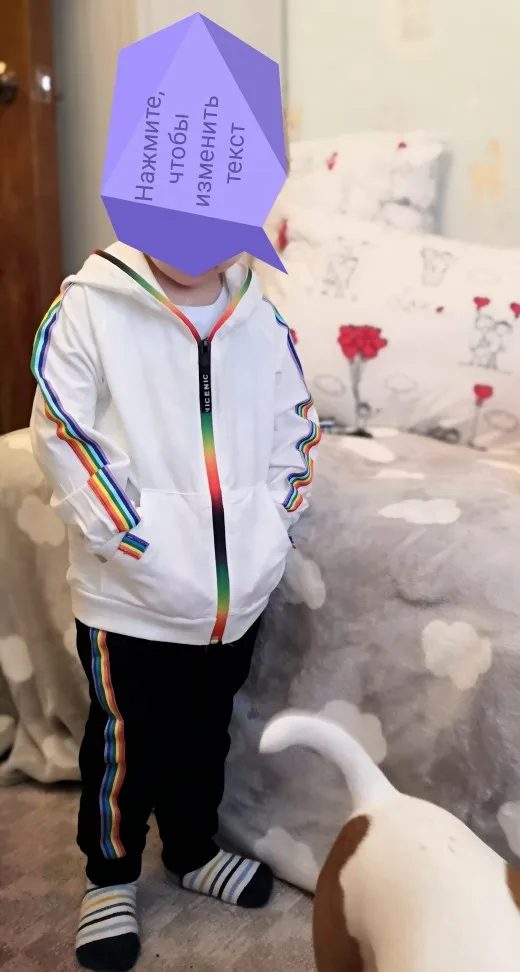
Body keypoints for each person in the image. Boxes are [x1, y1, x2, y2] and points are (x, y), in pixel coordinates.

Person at [30, 243, 320, 972]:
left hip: (234, 596)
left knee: (203, 732)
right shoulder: (90, 306)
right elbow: (63, 429)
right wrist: (129, 537)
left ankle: (192, 850)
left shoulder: (261, 317)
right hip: (130, 599)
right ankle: (110, 875)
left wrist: (274, 522)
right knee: (127, 744)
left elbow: (296, 424)